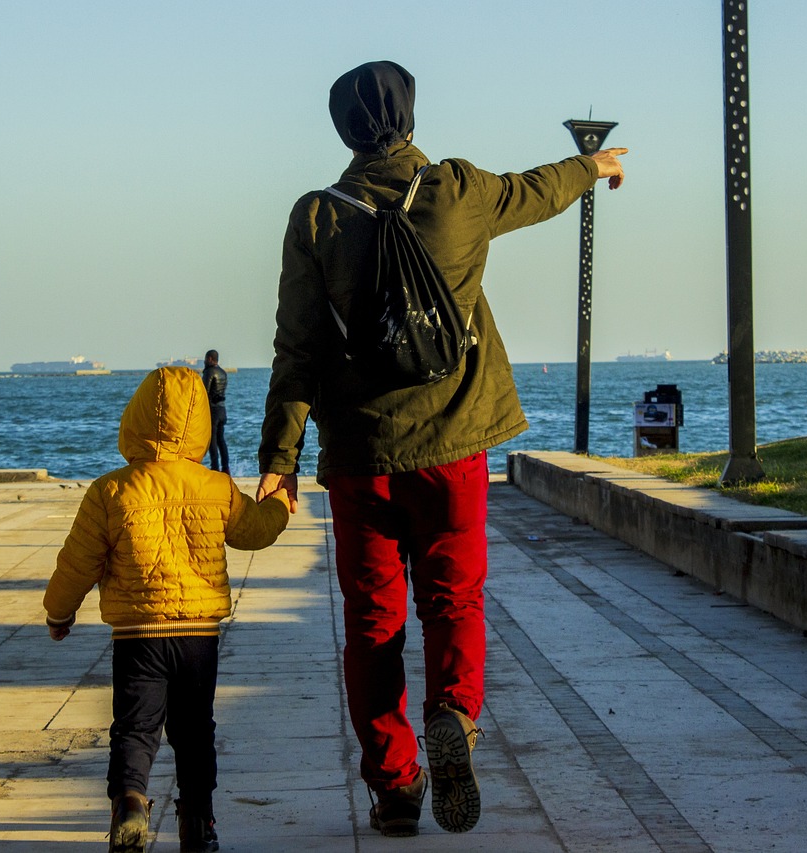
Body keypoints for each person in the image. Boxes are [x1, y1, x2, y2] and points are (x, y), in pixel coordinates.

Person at [256, 60, 627, 837]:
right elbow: (538, 189)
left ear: (343, 130)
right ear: (410, 114)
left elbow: (298, 349)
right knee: (452, 598)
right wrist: (593, 166)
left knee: (372, 619)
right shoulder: (457, 189)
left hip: (360, 453)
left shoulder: (316, 217)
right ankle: (454, 711)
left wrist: (278, 463)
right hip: (455, 444)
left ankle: (395, 785)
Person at [44, 367, 290, 853]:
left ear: (134, 419)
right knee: (195, 730)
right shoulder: (214, 487)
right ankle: (198, 822)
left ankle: (130, 804)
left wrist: (59, 613)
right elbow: (254, 531)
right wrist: (280, 503)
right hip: (198, 637)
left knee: (135, 728)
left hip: (137, 637)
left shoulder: (110, 492)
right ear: (199, 424)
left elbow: (77, 563)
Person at [201, 350, 230, 473]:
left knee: (212, 440)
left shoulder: (209, 372)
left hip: (212, 410)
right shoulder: (223, 373)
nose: (204, 361)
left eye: (206, 359)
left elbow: (204, 393)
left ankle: (214, 467)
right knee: (221, 440)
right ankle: (226, 467)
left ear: (210, 359)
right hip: (222, 409)